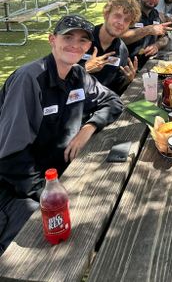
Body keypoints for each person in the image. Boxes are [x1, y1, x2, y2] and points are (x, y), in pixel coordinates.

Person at [0, 15, 123, 255]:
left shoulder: (78, 74)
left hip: (60, 176)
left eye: (83, 40)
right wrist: (49, 194)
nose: (75, 45)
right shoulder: (30, 79)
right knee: (47, 251)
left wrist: (89, 128)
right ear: (52, 40)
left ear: (89, 47)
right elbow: (11, 157)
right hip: (17, 189)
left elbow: (113, 101)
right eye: (68, 37)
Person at [80, 0, 141, 96]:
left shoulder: (122, 50)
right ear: (106, 14)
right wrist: (85, 68)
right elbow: (53, 73)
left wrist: (128, 80)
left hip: (103, 105)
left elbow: (116, 88)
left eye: (127, 20)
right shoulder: (82, 38)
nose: (121, 22)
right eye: (117, 16)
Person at [123, 0, 172, 69]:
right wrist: (148, 30)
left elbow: (165, 38)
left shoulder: (156, 14)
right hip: (127, 69)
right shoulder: (127, 12)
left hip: (150, 66)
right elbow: (118, 38)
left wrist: (156, 45)